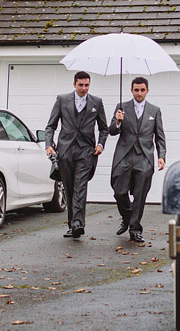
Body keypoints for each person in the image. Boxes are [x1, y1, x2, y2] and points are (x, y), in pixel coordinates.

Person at [45, 71, 108, 239]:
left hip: (86, 151)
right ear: (74, 84)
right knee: (70, 189)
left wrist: (101, 144)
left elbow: (104, 128)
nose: (84, 88)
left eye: (87, 85)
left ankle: (78, 224)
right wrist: (49, 145)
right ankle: (72, 224)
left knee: (80, 187)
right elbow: (50, 125)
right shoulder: (62, 100)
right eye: (81, 85)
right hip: (65, 151)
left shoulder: (97, 102)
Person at [109, 76, 166, 244]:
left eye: (142, 90)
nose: (139, 93)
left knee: (140, 196)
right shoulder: (122, 107)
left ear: (147, 90)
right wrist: (118, 122)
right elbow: (111, 131)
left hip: (144, 157)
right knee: (119, 191)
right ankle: (127, 217)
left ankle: (134, 228)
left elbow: (160, 136)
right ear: (131, 90)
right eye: (136, 90)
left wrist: (161, 155)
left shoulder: (154, 110)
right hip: (124, 156)